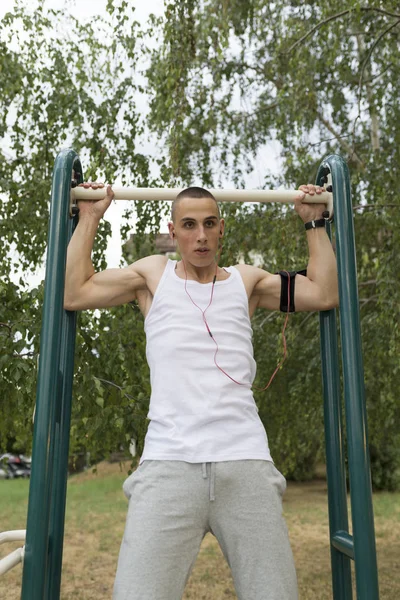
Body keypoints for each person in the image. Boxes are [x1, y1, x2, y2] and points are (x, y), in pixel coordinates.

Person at [64, 182, 338, 600]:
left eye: (210, 224)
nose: (201, 236)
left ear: (222, 228)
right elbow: (73, 292)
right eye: (189, 225)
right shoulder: (153, 276)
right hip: (169, 464)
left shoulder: (244, 281)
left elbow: (324, 293)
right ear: (173, 232)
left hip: (243, 461)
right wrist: (89, 218)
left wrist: (314, 222)